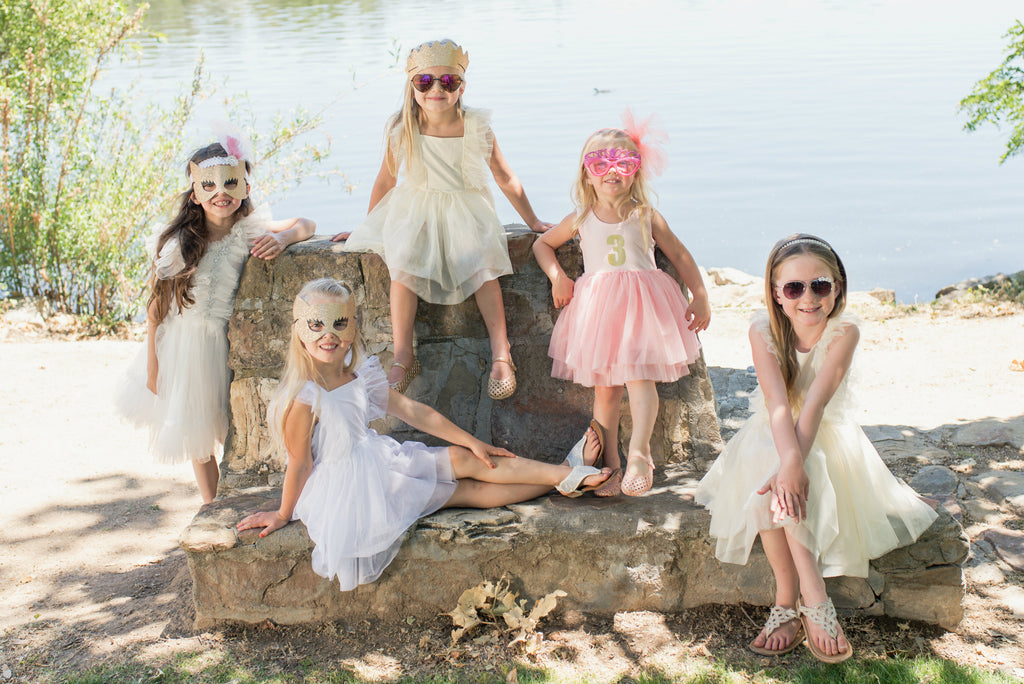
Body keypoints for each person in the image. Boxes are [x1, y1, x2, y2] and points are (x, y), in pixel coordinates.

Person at [236, 278, 610, 590]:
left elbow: (414, 411)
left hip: (381, 459)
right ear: (300, 331)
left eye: (338, 323)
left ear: (352, 327)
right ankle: (568, 472)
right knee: (471, 492)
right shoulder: (303, 398)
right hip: (354, 489)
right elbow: (301, 463)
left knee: (467, 458)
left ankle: (566, 474)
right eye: (316, 325)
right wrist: (285, 513)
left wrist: (471, 440)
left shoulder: (359, 375)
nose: (328, 336)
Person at [694, 234, 938, 663]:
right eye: (794, 288)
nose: (808, 298)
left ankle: (789, 605)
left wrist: (793, 463)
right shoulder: (762, 329)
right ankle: (811, 596)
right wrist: (787, 461)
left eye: (819, 285)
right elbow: (776, 404)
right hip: (774, 429)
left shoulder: (844, 331)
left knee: (798, 467)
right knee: (766, 458)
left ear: (837, 287)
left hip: (823, 432)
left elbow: (815, 404)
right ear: (776, 293)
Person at [332, 39, 550, 399]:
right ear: (412, 87)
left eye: (447, 82)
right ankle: (404, 352)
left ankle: (501, 350)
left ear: (461, 87)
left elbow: (505, 177)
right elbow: (386, 180)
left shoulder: (476, 126)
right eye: (425, 82)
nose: (436, 89)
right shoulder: (402, 128)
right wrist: (367, 225)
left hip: (466, 210)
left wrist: (533, 221)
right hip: (416, 210)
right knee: (402, 266)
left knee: (483, 266)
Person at [116, 133, 316, 503]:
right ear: (195, 194)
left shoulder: (249, 229)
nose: (220, 193)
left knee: (234, 422)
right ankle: (211, 504)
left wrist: (285, 237)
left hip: (227, 340)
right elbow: (156, 310)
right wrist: (152, 367)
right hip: (186, 344)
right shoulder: (179, 242)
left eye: (229, 183)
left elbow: (308, 223)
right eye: (208, 186)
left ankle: (248, 492)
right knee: (198, 429)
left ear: (244, 187)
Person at [532, 121, 710, 498]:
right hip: (599, 314)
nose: (612, 172)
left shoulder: (646, 215)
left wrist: (700, 295)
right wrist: (558, 278)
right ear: (587, 174)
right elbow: (542, 246)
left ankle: (641, 454)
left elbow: (679, 255)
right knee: (606, 392)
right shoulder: (580, 218)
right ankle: (609, 465)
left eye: (623, 163)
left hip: (643, 310)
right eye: (601, 164)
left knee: (640, 379)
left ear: (635, 171)